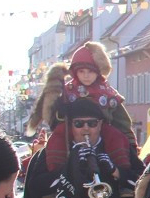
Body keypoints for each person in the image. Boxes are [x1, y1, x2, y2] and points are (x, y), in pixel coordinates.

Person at [28, 42, 136, 174]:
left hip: (101, 130)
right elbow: (54, 118)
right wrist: (59, 110)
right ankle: (55, 175)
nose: (86, 75)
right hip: (72, 129)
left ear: (98, 72)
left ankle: (122, 174)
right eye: (81, 71)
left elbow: (122, 122)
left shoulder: (107, 93)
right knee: (56, 140)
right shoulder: (67, 90)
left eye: (90, 71)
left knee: (117, 138)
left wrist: (131, 145)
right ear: (75, 72)